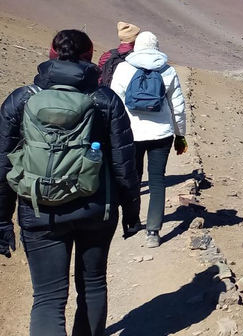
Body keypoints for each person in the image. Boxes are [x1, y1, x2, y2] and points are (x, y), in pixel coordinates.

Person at [0, 29, 141, 336]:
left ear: (52, 55)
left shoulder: (21, 99)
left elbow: (3, 164)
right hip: (95, 208)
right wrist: (131, 214)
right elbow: (124, 164)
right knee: (92, 286)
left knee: (48, 299)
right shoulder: (105, 100)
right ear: (91, 58)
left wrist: (2, 221)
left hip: (39, 210)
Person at [110, 31, 187, 248]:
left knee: (131, 179)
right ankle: (153, 231)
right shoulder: (168, 70)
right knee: (157, 181)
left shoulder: (124, 68)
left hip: (130, 134)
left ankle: (132, 222)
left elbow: (114, 102)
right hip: (161, 135)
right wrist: (180, 135)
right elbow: (178, 107)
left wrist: (111, 132)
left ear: (137, 46)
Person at [97, 21, 140, 87]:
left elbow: (99, 76)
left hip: (106, 93)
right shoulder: (136, 58)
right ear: (135, 39)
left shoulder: (107, 55)